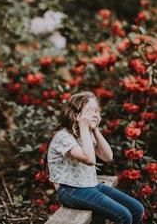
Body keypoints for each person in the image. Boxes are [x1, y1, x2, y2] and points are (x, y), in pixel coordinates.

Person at [46, 91, 144, 224]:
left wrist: (95, 129)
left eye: (96, 110)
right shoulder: (63, 137)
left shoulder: (85, 133)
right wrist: (84, 127)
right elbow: (90, 159)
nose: (95, 114)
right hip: (70, 190)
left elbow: (107, 156)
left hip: (90, 185)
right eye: (90, 111)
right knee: (123, 215)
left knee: (137, 208)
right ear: (76, 114)